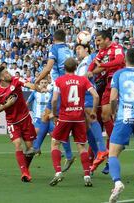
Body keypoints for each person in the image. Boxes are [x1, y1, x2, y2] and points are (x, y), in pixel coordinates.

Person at [107, 48, 134, 202]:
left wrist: (113, 112)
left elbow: (113, 98)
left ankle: (117, 182)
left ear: (125, 59)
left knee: (112, 153)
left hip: (123, 118)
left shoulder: (119, 74)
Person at [48, 57, 99, 187]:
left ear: (64, 68)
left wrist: (54, 113)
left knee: (55, 143)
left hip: (65, 117)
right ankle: (87, 175)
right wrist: (93, 111)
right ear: (76, 67)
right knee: (81, 146)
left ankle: (58, 172)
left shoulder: (59, 80)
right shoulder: (83, 80)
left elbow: (54, 100)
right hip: (79, 118)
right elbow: (96, 96)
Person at [34, 29, 75, 172]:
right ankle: (37, 146)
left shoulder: (55, 48)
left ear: (54, 39)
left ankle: (37, 147)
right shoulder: (69, 50)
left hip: (60, 87)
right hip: (69, 86)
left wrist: (37, 80)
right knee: (49, 118)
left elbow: (48, 67)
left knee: (52, 120)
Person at [87, 29, 125, 173]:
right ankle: (93, 162)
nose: (97, 43)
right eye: (96, 41)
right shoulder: (102, 52)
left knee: (104, 116)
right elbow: (92, 66)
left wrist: (103, 66)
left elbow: (120, 61)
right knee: (96, 121)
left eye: (99, 40)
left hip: (114, 82)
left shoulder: (116, 48)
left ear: (107, 39)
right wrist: (87, 74)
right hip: (102, 85)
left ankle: (116, 141)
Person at [0, 65, 36, 182]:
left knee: (30, 150)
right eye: (6, 73)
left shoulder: (16, 80)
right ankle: (24, 173)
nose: (9, 74)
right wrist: (6, 105)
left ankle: (25, 169)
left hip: (25, 118)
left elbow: (28, 84)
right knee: (17, 144)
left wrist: (36, 87)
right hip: (12, 122)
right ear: (2, 78)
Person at [75, 43, 107, 171]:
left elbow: (102, 67)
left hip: (88, 92)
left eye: (79, 48)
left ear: (86, 49)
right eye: (76, 49)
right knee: (86, 127)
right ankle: (96, 155)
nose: (77, 51)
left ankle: (102, 150)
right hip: (80, 95)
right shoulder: (80, 64)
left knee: (92, 119)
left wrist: (92, 72)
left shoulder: (92, 57)